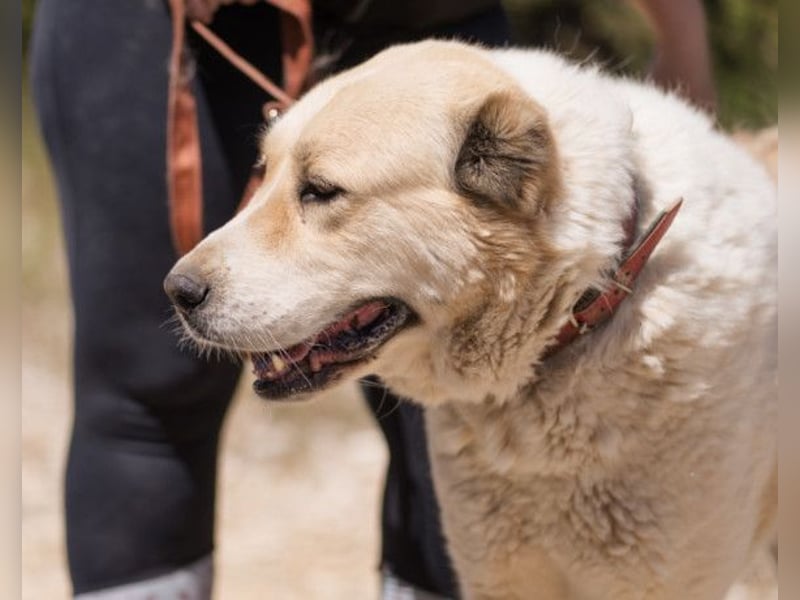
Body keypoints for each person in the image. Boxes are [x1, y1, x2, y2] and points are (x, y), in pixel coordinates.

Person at [29, 1, 714, 598]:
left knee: (458, 387)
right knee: (153, 384)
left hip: (431, 20)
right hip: (173, 26)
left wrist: (681, 34)